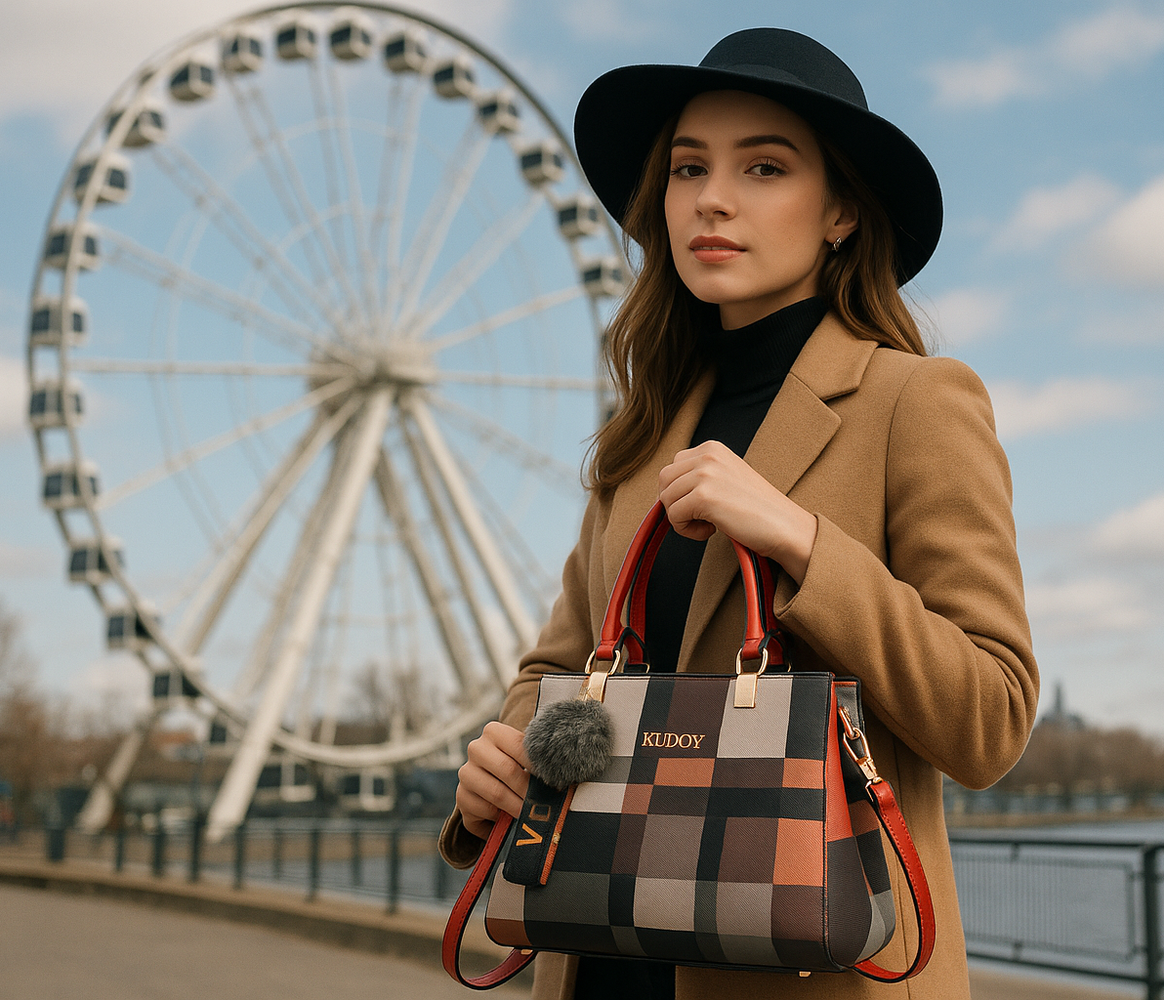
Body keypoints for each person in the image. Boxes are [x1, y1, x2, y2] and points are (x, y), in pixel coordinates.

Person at [441, 27, 1039, 1000]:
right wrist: (503, 768)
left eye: (764, 166)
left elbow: (991, 716)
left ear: (841, 208)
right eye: (688, 167)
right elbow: (557, 673)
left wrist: (802, 541)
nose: (711, 198)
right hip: (594, 957)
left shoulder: (914, 403)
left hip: (814, 972)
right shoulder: (639, 440)